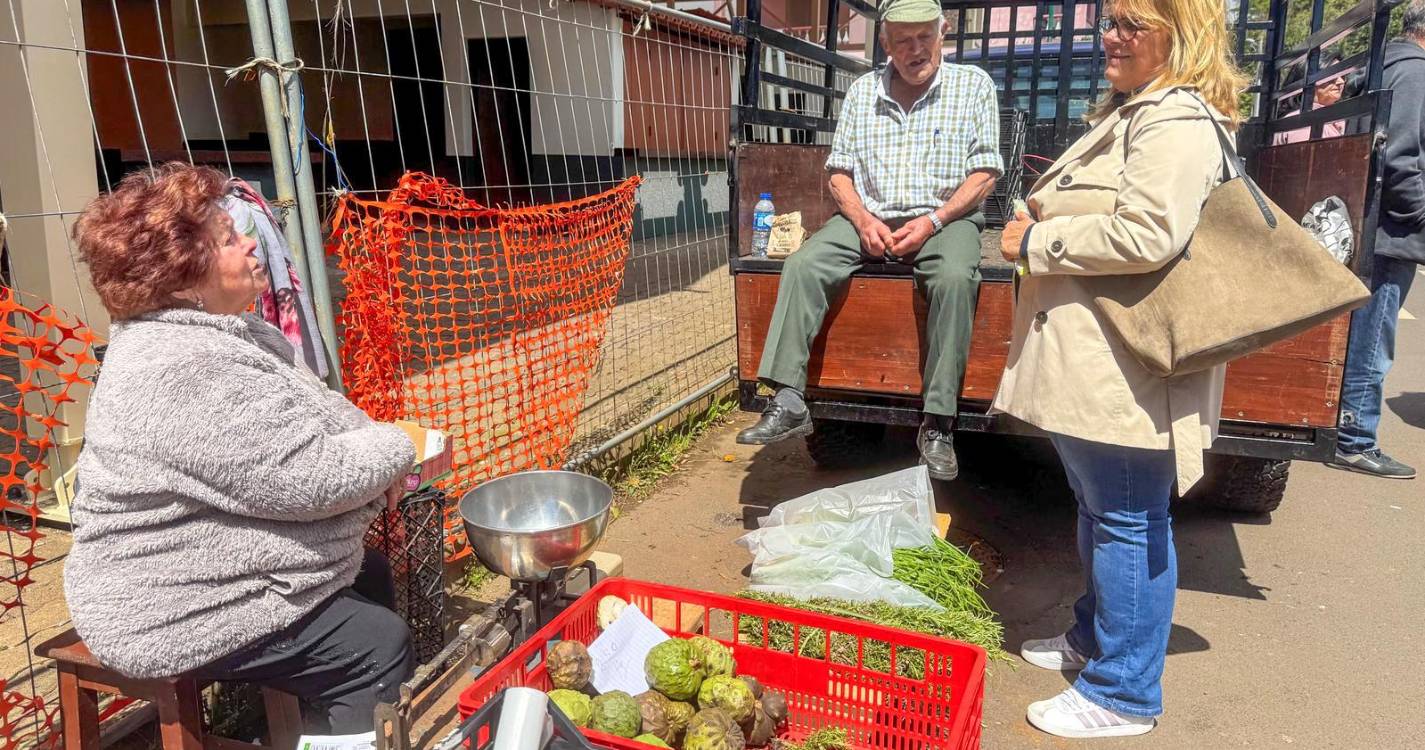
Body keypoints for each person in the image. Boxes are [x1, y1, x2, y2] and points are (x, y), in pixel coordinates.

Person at [64, 163, 417, 733]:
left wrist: (378, 452)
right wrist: (401, 445)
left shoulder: (236, 332)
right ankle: (345, 723)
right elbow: (311, 480)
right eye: (228, 239)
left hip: (212, 561)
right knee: (372, 647)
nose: (252, 239)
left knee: (370, 574)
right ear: (182, 275)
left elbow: (328, 413)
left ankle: (312, 729)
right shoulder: (180, 370)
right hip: (165, 603)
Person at [994, 0, 1247, 737]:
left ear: (1179, 33)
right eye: (1109, 20)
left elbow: (1148, 232)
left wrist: (1036, 240)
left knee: (1127, 521)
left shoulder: (1173, 120)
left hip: (1127, 367)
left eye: (1131, 24)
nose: (1111, 36)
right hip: (1100, 360)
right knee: (1103, 510)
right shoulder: (1137, 110)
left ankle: (1122, 693)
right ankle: (1093, 640)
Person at [735, 0, 1002, 481]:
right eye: (903, 40)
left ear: (942, 32)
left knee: (956, 277)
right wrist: (860, 220)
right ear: (886, 43)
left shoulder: (973, 86)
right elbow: (838, 172)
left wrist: (934, 222)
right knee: (803, 265)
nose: (915, 49)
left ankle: (939, 422)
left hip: (944, 218)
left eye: (925, 36)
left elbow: (985, 173)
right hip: (869, 216)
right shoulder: (862, 91)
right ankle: (790, 397)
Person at [1329, 2, 1425, 479]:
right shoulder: (1415, 74)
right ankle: (1354, 439)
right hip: (1390, 231)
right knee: (1373, 342)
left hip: (1366, 219)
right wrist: (1419, 214)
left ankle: (1347, 430)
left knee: (1364, 334)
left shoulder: (1381, 64)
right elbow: (1401, 154)